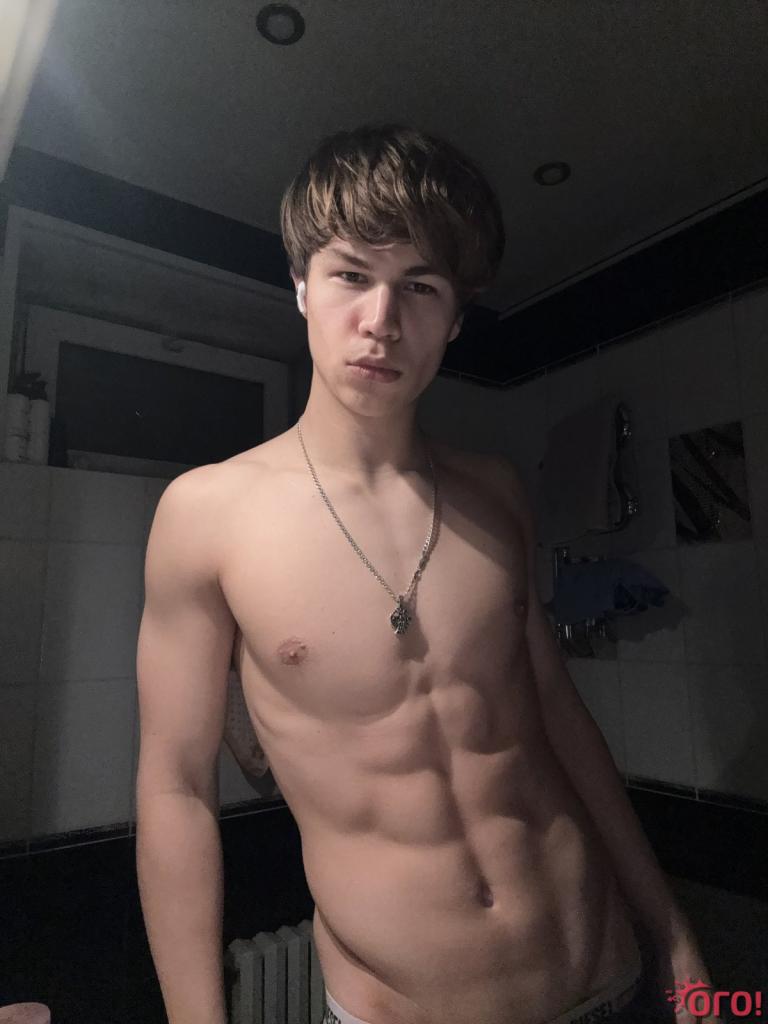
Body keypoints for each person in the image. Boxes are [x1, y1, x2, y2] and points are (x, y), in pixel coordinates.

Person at [135, 123, 720, 1024]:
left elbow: (558, 717)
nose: (381, 320)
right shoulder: (206, 514)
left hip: (607, 975)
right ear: (301, 286)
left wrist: (673, 932)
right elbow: (175, 789)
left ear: (455, 316)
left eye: (419, 285)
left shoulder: (495, 493)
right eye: (350, 275)